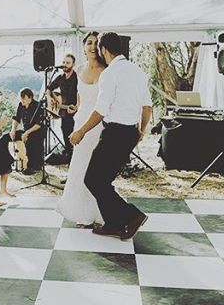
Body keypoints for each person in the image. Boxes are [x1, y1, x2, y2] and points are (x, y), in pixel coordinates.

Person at [70, 32, 152, 240]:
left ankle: (132, 216)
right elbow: (147, 107)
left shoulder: (110, 73)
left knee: (92, 179)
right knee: (102, 180)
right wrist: (141, 130)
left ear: (104, 49)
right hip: (130, 133)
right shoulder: (137, 71)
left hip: (114, 133)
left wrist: (81, 131)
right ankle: (114, 223)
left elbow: (100, 110)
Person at [57, 32, 106, 227]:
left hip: (98, 124)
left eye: (96, 43)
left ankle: (100, 211)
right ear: (84, 47)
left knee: (96, 169)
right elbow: (80, 95)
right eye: (89, 43)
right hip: (80, 122)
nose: (93, 46)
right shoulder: (79, 69)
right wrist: (76, 108)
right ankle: (82, 213)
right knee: (79, 167)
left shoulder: (106, 70)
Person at [47, 54, 78, 159]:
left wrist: (77, 106)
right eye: (63, 62)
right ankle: (69, 158)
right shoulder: (60, 78)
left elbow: (82, 94)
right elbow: (48, 89)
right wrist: (50, 98)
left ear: (73, 64)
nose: (64, 65)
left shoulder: (77, 78)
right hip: (64, 113)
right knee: (65, 134)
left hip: (76, 113)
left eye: (68, 63)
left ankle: (74, 158)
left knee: (74, 137)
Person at [10, 88, 44, 175]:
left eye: (24, 98)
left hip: (36, 131)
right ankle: (17, 161)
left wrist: (26, 133)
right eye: (21, 98)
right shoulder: (21, 105)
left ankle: (31, 166)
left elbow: (39, 124)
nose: (22, 101)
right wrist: (13, 130)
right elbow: (16, 118)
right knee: (10, 137)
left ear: (30, 98)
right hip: (25, 130)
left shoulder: (38, 106)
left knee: (31, 140)